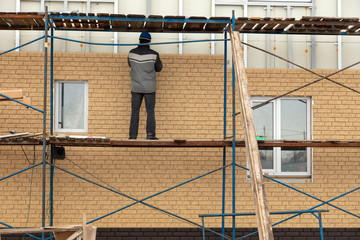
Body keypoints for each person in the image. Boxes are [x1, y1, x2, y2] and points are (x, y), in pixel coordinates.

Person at [128, 32, 162, 140]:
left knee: (135, 112)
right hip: (149, 88)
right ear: (149, 41)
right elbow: (159, 68)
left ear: (139, 40)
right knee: (150, 112)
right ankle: (150, 135)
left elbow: (130, 64)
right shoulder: (154, 54)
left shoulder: (131, 53)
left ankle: (133, 136)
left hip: (136, 87)